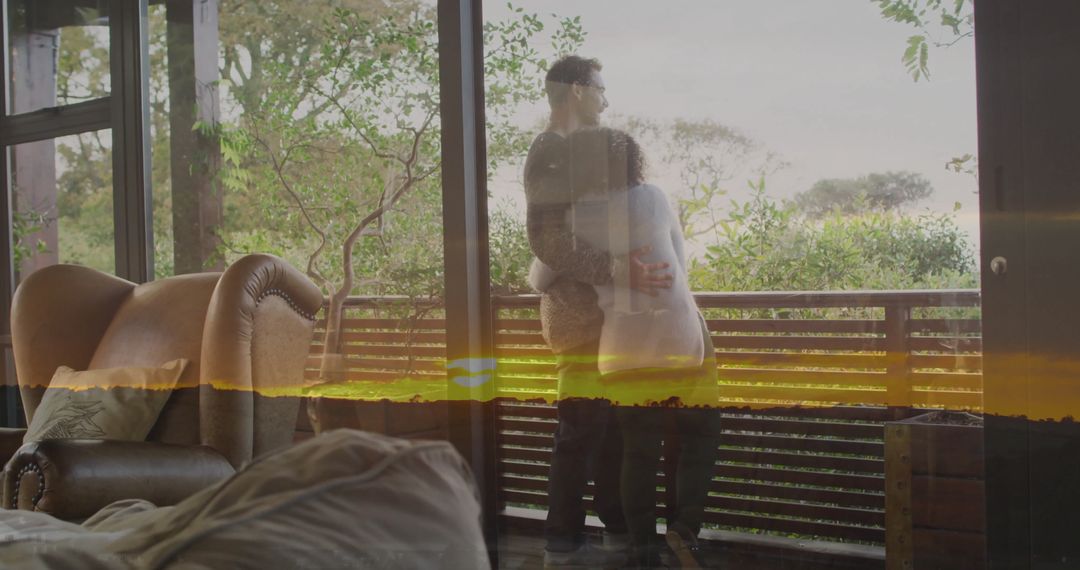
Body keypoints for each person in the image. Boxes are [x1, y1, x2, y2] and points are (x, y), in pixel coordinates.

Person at [533, 127, 722, 568]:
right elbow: (680, 263)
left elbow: (541, 277)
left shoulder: (575, 217)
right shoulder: (653, 197)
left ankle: (641, 549)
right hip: (677, 338)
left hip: (620, 349)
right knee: (701, 432)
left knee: (637, 450)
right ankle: (684, 529)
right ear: (631, 160)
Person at [524, 55, 673, 568]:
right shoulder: (550, 150)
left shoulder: (584, 149)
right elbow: (547, 241)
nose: (606, 101)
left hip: (611, 320)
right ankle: (562, 543)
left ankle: (614, 530)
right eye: (600, 90)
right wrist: (618, 270)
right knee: (581, 433)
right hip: (579, 318)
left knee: (610, 435)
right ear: (576, 90)